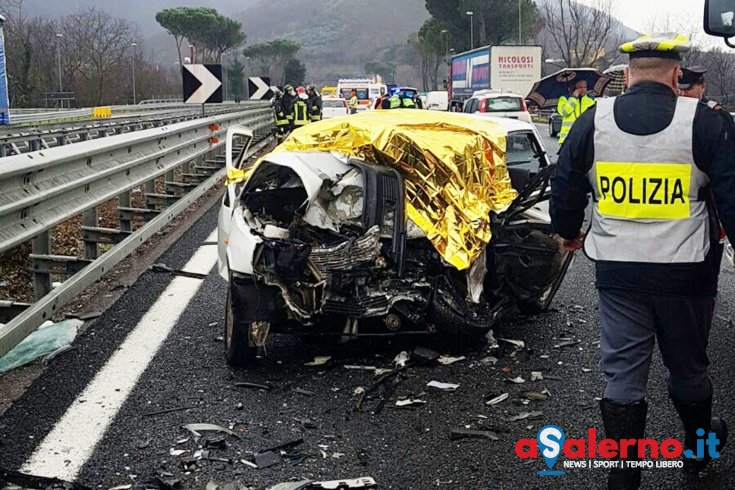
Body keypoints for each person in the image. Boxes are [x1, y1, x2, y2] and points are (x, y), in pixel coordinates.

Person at [550, 33, 735, 489]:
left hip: (618, 272)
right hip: (686, 274)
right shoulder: (707, 124)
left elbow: (567, 183)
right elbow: (731, 196)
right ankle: (697, 453)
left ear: (627, 76)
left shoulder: (595, 120)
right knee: (689, 366)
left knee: (623, 374)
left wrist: (569, 232)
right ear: (676, 74)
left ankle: (623, 474)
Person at [556, 79, 596, 145]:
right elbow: (564, 112)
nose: (583, 89)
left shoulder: (592, 100)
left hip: (585, 138)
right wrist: (573, 98)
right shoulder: (564, 98)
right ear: (575, 88)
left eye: (585, 87)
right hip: (567, 138)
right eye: (580, 87)